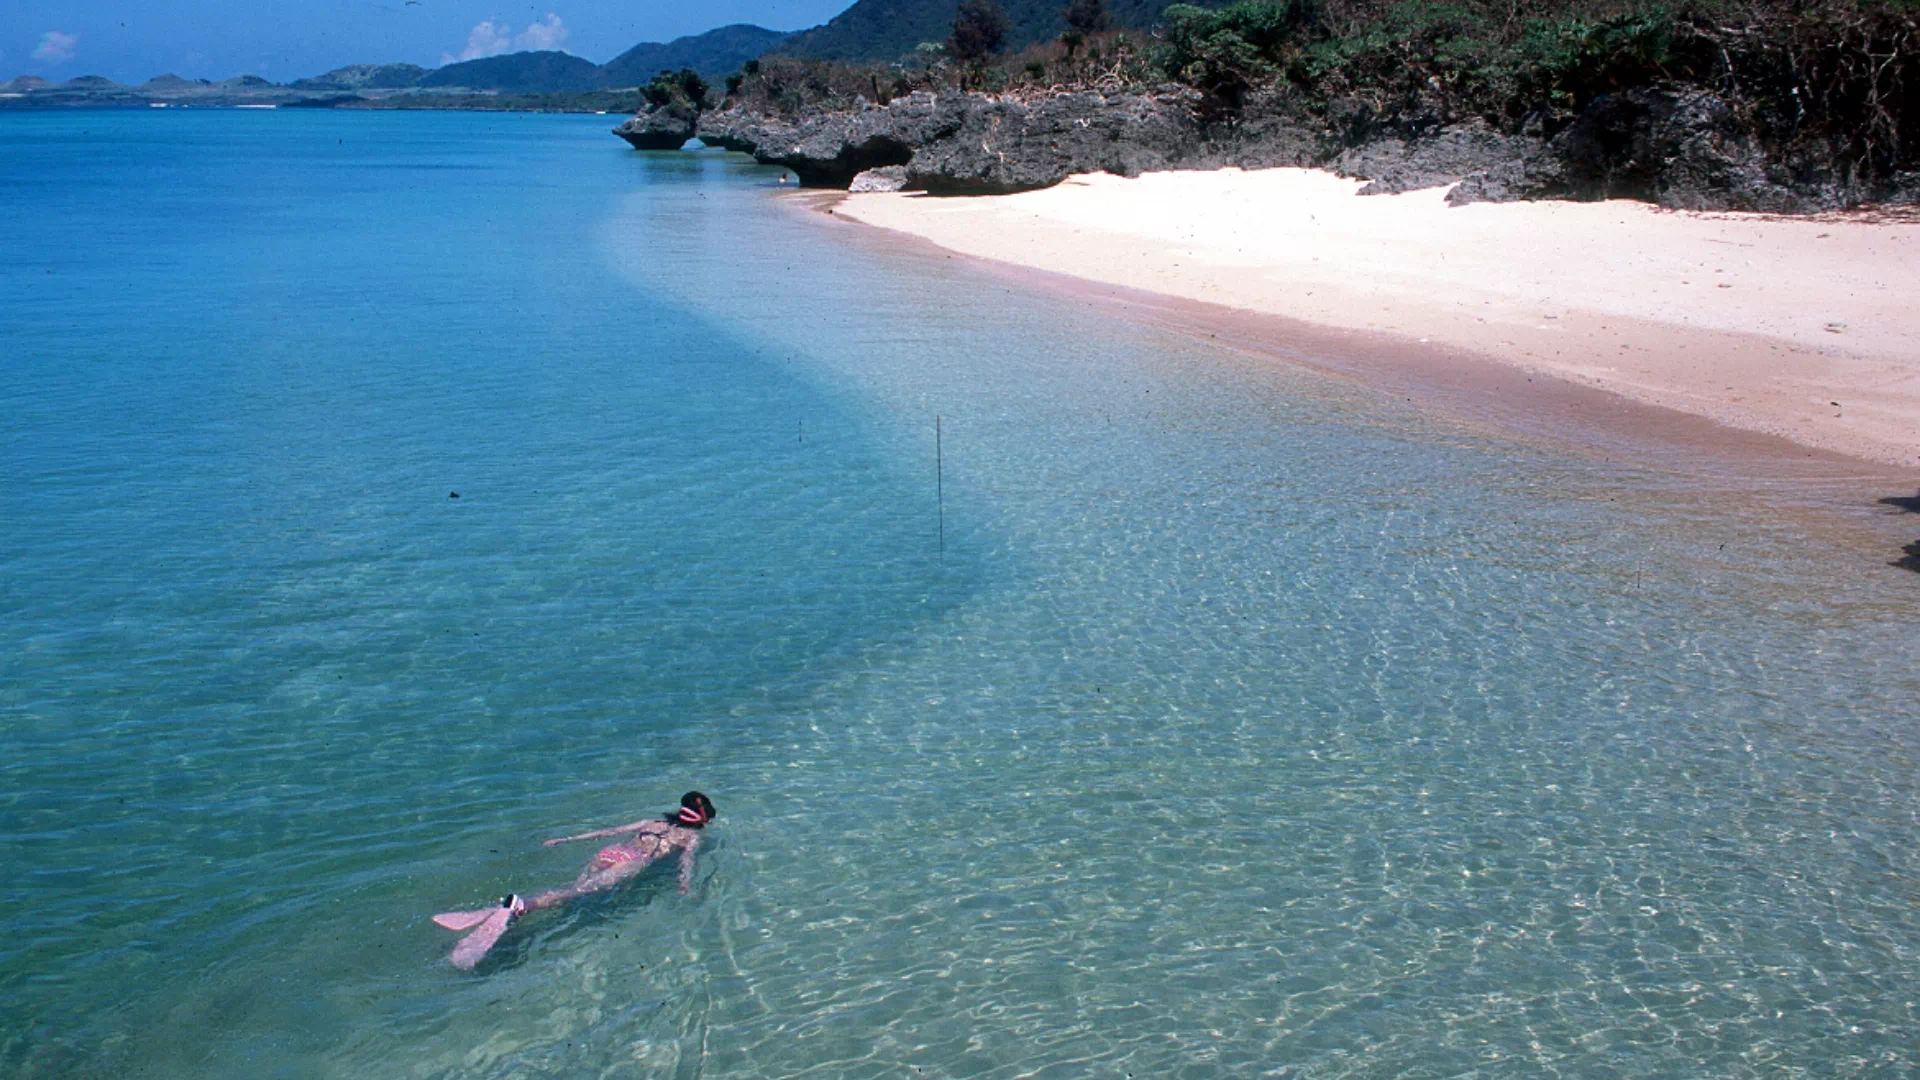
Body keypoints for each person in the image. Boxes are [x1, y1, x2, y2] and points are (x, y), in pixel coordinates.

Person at [433, 791, 716, 970]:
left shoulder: (650, 822)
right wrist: (684, 884)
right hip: (631, 863)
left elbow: (608, 831)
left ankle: (517, 910)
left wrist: (566, 838)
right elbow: (685, 862)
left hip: (611, 853)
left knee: (572, 889)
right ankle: (523, 905)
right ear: (702, 821)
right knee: (573, 894)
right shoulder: (691, 837)